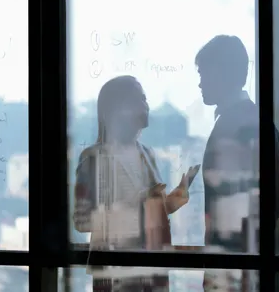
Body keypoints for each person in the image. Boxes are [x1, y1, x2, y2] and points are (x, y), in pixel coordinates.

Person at [72, 75, 191, 291]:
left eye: (144, 99)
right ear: (114, 111)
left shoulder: (148, 154)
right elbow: (82, 222)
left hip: (154, 269)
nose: (144, 106)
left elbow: (151, 213)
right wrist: (138, 204)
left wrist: (174, 200)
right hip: (116, 273)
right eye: (136, 100)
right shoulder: (93, 158)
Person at [195, 35, 279, 289]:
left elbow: (271, 198)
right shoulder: (250, 120)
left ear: (222, 74)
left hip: (237, 271)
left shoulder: (240, 125)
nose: (200, 83)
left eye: (204, 73)